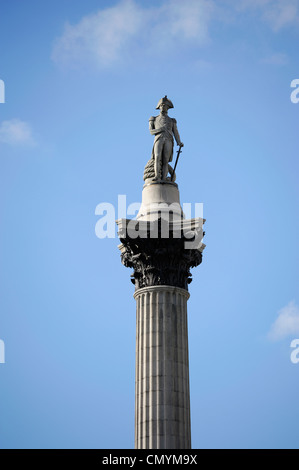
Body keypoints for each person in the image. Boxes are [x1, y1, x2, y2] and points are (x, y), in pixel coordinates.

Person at [149, 96, 184, 181]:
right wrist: (160, 130)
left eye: (165, 105)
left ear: (168, 108)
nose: (163, 107)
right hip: (158, 139)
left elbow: (175, 132)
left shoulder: (172, 120)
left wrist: (179, 142)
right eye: (162, 105)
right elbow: (151, 131)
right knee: (157, 157)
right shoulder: (154, 119)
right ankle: (157, 176)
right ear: (159, 107)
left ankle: (164, 178)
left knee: (165, 160)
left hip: (169, 139)